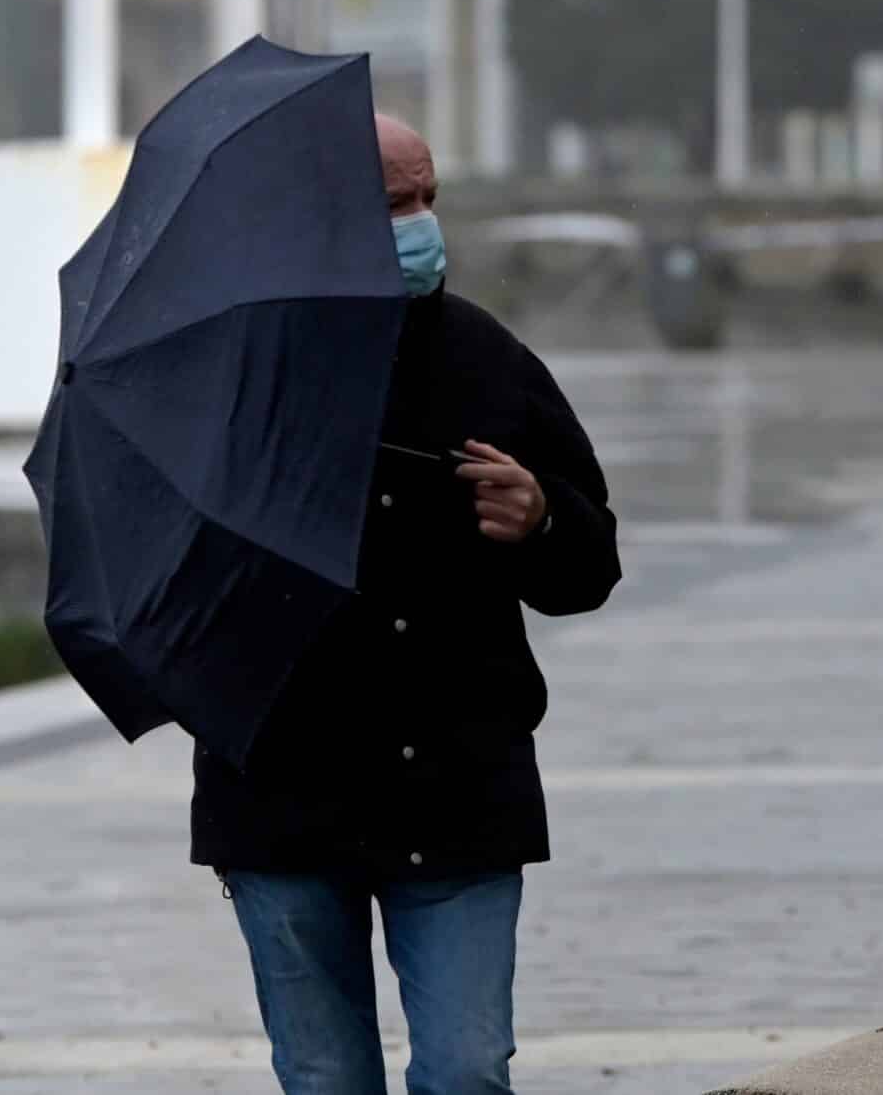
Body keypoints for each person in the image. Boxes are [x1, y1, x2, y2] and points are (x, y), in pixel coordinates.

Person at [190, 113, 621, 1095]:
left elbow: (587, 568)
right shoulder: (243, 372)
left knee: (467, 1072)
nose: (420, 223)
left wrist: (543, 517)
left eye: (427, 198)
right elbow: (181, 590)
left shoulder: (487, 358)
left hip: (458, 790)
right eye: (394, 205)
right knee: (324, 1078)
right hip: (283, 802)